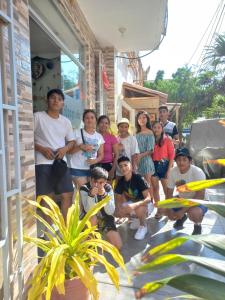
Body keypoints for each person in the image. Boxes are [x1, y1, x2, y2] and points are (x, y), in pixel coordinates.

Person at [34, 88, 75, 221]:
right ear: (47, 100)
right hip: (43, 163)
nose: (56, 101)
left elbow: (72, 141)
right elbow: (26, 138)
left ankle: (66, 228)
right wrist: (41, 149)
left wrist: (64, 149)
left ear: (63, 103)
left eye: (59, 99)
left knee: (67, 194)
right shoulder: (38, 116)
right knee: (47, 197)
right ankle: (49, 232)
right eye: (53, 97)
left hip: (60, 163)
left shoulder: (66, 121)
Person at [165, 148, 207, 235]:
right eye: (179, 160)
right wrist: (169, 209)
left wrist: (182, 211)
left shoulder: (198, 172)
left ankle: (197, 225)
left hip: (199, 201)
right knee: (163, 209)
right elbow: (169, 192)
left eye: (184, 159)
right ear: (175, 161)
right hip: (183, 198)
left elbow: (200, 195)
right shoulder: (173, 171)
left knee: (194, 213)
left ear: (190, 161)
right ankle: (182, 218)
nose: (181, 162)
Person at [80, 167, 122, 250]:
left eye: (101, 182)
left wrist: (104, 196)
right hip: (90, 218)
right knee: (93, 218)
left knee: (117, 246)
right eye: (95, 182)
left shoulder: (108, 188)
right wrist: (91, 196)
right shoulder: (84, 188)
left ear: (105, 182)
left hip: (106, 218)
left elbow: (110, 212)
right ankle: (90, 240)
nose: (97, 185)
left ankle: (101, 233)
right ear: (91, 179)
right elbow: (89, 211)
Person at [115, 156, 152, 240]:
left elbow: (148, 198)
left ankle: (143, 226)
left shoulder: (138, 178)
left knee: (138, 208)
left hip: (146, 205)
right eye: (121, 166)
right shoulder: (121, 181)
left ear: (131, 166)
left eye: (125, 165)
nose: (123, 168)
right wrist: (120, 209)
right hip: (133, 204)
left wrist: (134, 205)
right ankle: (136, 220)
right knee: (116, 212)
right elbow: (117, 198)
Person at [67, 109, 104, 189]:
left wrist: (95, 160)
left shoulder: (99, 136)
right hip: (76, 168)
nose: (89, 120)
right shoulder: (76, 133)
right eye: (87, 118)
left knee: (87, 195)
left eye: (92, 117)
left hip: (92, 169)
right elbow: (69, 151)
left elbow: (101, 155)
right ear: (83, 120)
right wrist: (80, 147)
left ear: (95, 120)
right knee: (85, 191)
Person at [151, 121, 175, 219]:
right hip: (153, 165)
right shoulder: (151, 139)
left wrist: (169, 170)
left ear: (162, 129)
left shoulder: (167, 139)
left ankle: (168, 209)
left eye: (158, 127)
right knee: (155, 189)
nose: (156, 129)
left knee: (167, 191)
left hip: (164, 165)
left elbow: (172, 155)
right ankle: (159, 210)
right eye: (154, 127)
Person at [135, 110, 155, 200]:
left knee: (147, 183)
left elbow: (151, 150)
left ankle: (151, 202)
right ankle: (144, 202)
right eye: (139, 118)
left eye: (144, 117)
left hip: (146, 160)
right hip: (137, 161)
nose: (142, 120)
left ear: (147, 119)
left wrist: (140, 156)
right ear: (137, 120)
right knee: (140, 184)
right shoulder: (136, 134)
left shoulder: (150, 132)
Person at [97, 115, 119, 180]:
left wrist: (112, 170)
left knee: (107, 189)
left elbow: (116, 154)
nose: (104, 125)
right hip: (95, 165)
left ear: (109, 125)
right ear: (98, 124)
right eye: (101, 122)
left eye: (106, 123)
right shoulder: (94, 136)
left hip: (108, 166)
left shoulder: (112, 137)